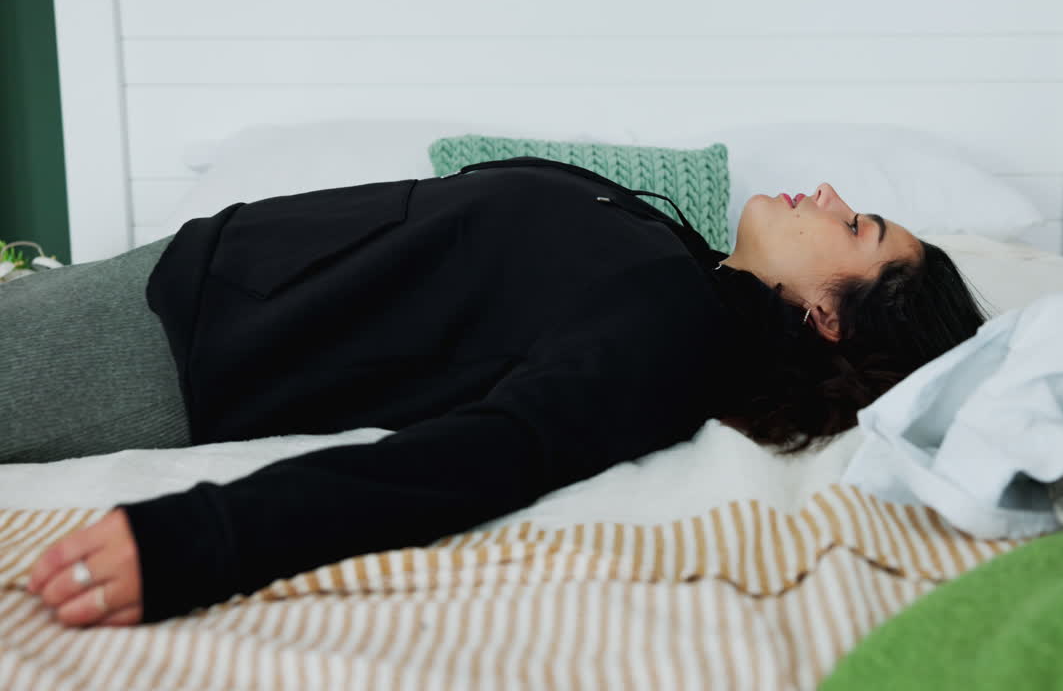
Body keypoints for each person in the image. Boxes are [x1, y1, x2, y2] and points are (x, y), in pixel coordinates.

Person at [10, 156, 985, 628]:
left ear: (828, 316)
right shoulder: (681, 275)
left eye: (855, 227)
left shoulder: (677, 325)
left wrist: (203, 540)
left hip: (159, 350)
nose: (823, 194)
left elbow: (499, 449)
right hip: (171, 291)